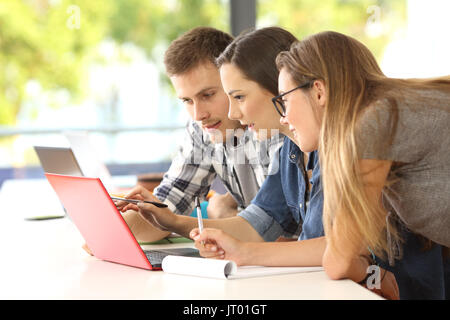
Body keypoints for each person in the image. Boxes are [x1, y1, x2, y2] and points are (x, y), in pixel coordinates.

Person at [275, 30, 450, 299]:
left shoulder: (374, 123)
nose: (284, 118)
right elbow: (348, 248)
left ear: (319, 91)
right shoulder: (389, 111)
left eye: (284, 100)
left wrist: (371, 275)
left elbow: (338, 262)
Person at [111, 27, 284, 244]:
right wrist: (106, 232)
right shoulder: (203, 129)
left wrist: (224, 215)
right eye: (187, 101)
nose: (198, 114)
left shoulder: (276, 126)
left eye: (208, 95)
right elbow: (167, 205)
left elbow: (280, 231)